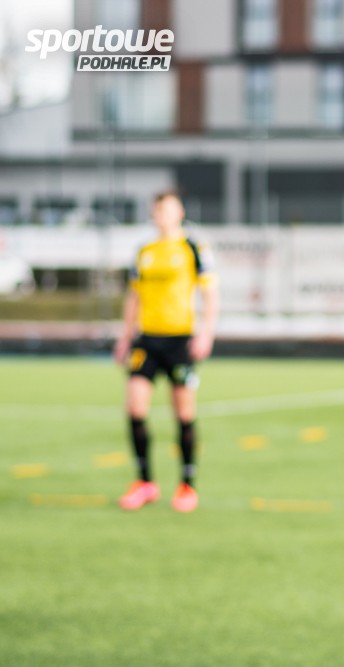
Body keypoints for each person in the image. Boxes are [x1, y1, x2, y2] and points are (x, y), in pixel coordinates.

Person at [113, 190, 219, 513]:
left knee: (184, 414)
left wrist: (206, 333)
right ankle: (145, 482)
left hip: (179, 340)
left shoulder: (193, 248)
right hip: (147, 340)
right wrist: (125, 336)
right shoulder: (145, 251)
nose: (161, 215)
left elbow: (210, 294)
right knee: (135, 408)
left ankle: (187, 485)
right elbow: (134, 296)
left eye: (167, 210)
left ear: (179, 212)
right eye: (157, 210)